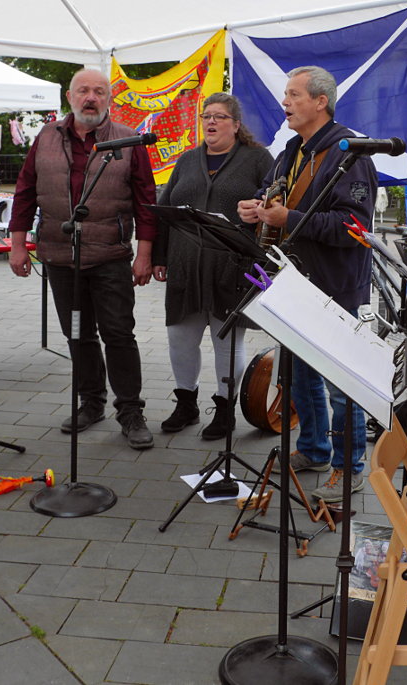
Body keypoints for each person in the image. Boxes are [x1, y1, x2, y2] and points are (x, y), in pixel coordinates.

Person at [238, 66, 377, 503]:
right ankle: (314, 449)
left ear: (321, 101)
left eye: (294, 95)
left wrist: (288, 219)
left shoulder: (350, 152)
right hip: (291, 282)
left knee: (340, 383)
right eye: (285, 95)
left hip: (334, 286)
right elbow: (273, 194)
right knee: (297, 376)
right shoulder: (290, 151)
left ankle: (349, 466)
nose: (285, 102)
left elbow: (353, 226)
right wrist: (258, 208)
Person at [8, 68, 157, 450]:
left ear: (109, 99)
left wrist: (145, 253)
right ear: (70, 97)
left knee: (119, 335)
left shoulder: (128, 140)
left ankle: (130, 411)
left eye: (99, 91)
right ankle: (92, 403)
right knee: (77, 334)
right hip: (59, 256)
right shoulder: (45, 137)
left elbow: (146, 200)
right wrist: (18, 243)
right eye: (83, 91)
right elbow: (25, 192)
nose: (91, 97)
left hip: (110, 255)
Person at [152, 93, 273, 439]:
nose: (211, 122)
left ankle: (224, 408)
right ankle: (186, 403)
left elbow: (274, 205)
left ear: (236, 125)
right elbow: (165, 209)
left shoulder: (258, 159)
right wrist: (159, 255)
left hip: (232, 271)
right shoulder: (187, 160)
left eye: (220, 116)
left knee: (228, 342)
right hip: (185, 267)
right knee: (180, 337)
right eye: (207, 116)